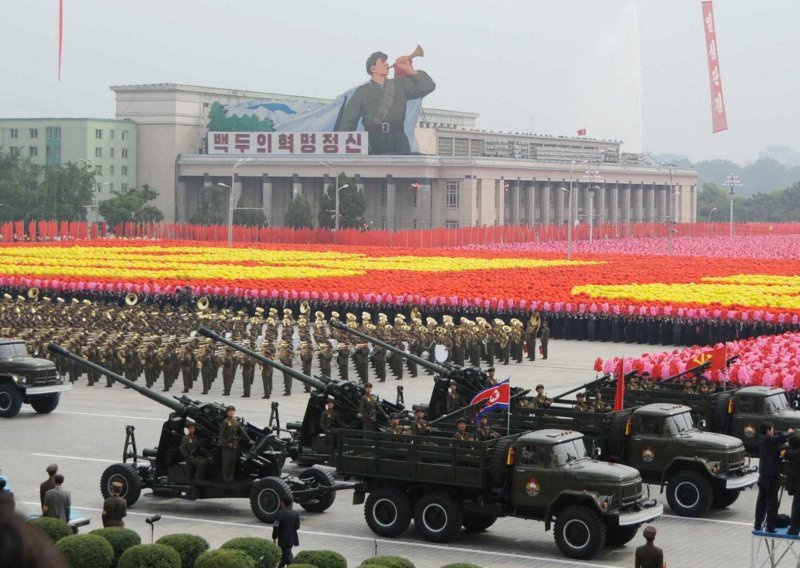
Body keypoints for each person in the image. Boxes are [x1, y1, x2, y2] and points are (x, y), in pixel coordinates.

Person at [338, 50, 436, 155]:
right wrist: (344, 151)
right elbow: (347, 122)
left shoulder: (399, 84)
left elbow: (428, 86)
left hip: (399, 140)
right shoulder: (362, 91)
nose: (387, 64)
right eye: (382, 61)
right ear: (373, 68)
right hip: (373, 141)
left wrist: (409, 70)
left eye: (386, 62)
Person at [755, 421, 794, 532]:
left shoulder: (761, 439)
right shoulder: (769, 441)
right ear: (768, 430)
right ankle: (770, 526)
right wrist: (791, 433)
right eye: (772, 429)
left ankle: (757, 524)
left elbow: (777, 435)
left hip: (763, 475)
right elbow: (781, 438)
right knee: (772, 502)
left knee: (761, 501)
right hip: (771, 476)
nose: (773, 431)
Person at [219, 406, 253, 483]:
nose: (231, 412)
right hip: (227, 446)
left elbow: (241, 431)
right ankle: (226, 479)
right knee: (226, 463)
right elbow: (222, 436)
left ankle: (231, 478)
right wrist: (227, 443)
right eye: (229, 411)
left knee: (232, 462)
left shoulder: (235, 421)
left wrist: (249, 440)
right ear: (227, 413)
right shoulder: (225, 422)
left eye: (232, 411)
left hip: (234, 445)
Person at [272, 496, 300, 568]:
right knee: (285, 554)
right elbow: (297, 526)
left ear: (282, 503)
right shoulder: (295, 513)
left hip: (283, 538)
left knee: (287, 556)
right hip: (292, 538)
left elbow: (276, 526)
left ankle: (292, 566)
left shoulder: (279, 513)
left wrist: (274, 537)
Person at [786, 434, 800, 535]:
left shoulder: (790, 453)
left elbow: (783, 451)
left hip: (796, 486)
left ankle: (794, 529)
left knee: (796, 507)